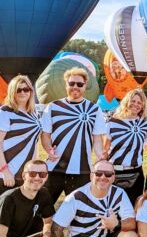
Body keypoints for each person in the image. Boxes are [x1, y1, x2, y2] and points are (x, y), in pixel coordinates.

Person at [41, 67, 107, 204]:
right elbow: (45, 134)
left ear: (85, 86)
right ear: (66, 85)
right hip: (54, 167)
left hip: (82, 170)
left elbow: (97, 139)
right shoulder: (53, 107)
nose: (75, 87)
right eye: (71, 84)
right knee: (43, 207)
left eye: (79, 84)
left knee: (79, 210)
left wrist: (100, 156)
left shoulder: (94, 109)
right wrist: (48, 149)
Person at [0, 75, 42, 199]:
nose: (23, 92)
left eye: (26, 89)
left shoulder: (34, 113)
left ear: (31, 91)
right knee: (5, 213)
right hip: (7, 172)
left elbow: (34, 142)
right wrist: (5, 171)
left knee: (23, 212)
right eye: (18, 90)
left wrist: (35, 169)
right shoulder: (4, 112)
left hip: (26, 173)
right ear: (12, 92)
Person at [105, 88, 147, 204]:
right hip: (114, 172)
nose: (135, 104)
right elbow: (105, 149)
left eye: (139, 102)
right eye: (133, 101)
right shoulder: (112, 122)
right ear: (127, 101)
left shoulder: (146, 123)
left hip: (135, 173)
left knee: (132, 210)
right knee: (113, 208)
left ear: (142, 106)